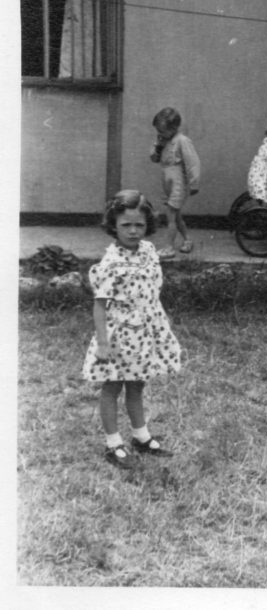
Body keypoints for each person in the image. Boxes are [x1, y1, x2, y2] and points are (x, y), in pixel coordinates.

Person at [82, 190, 182, 469]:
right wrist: (103, 343)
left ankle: (141, 435)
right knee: (113, 386)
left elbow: (151, 291)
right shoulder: (110, 264)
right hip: (118, 336)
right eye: (126, 225)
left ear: (147, 225)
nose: (134, 231)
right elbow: (100, 306)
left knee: (138, 384)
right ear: (113, 225)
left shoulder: (149, 251)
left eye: (139, 224)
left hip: (144, 333)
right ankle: (113, 442)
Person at [150, 107, 201, 260]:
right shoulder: (162, 141)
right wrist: (158, 148)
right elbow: (153, 158)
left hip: (178, 182)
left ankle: (169, 247)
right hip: (167, 182)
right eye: (158, 130)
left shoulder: (182, 141)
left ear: (173, 128)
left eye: (163, 130)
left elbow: (193, 162)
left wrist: (194, 183)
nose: (160, 133)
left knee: (171, 215)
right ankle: (187, 239)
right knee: (176, 216)